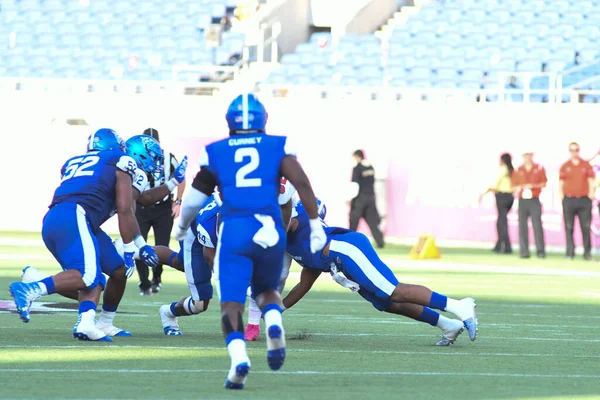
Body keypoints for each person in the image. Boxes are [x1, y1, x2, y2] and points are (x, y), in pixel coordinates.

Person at [173, 94, 326, 390]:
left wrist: (180, 225)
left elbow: (194, 198)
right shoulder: (279, 145)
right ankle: (274, 321)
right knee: (267, 291)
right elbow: (303, 183)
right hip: (270, 229)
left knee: (231, 303)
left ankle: (238, 360)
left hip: (235, 229)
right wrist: (316, 224)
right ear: (263, 120)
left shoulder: (215, 152)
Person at [19, 133, 188, 337]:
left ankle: (98, 323)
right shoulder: (124, 162)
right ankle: (33, 287)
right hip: (75, 216)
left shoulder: (84, 162)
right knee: (89, 277)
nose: (156, 162)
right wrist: (133, 247)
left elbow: (143, 198)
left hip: (71, 218)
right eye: (152, 156)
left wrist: (173, 183)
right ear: (138, 154)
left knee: (115, 271)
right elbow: (125, 209)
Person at [283, 200, 478, 346]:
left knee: (393, 291)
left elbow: (316, 205)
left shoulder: (299, 217)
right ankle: (447, 325)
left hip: (347, 248)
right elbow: (302, 286)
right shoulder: (291, 247)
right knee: (386, 303)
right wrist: (276, 309)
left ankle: (459, 305)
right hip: (342, 264)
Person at [135, 128, 186, 295]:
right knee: (138, 244)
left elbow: (181, 179)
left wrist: (177, 202)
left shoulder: (168, 158)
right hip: (141, 207)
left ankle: (156, 278)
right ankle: (144, 281)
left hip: (163, 208)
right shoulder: (134, 158)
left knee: (161, 245)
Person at [559, 142, 595, 260]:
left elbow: (591, 180)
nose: (574, 152)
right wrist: (562, 196)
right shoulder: (565, 166)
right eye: (572, 150)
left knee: (585, 226)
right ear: (569, 151)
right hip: (569, 199)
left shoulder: (585, 165)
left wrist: (591, 194)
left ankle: (587, 253)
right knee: (569, 227)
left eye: (576, 150)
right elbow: (561, 183)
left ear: (579, 150)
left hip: (584, 200)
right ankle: (570, 252)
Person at [513, 150, 547, 259]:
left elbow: (544, 183)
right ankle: (524, 252)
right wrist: (519, 187)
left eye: (529, 155)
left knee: (537, 225)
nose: (527, 157)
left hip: (534, 199)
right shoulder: (519, 169)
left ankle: (540, 251)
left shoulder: (539, 168)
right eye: (525, 155)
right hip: (523, 200)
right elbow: (513, 185)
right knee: (522, 226)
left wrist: (533, 186)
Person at [479, 153, 515, 254]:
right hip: (509, 197)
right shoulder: (511, 170)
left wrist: (483, 194)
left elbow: (494, 184)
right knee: (501, 221)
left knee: (501, 222)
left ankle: (506, 246)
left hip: (502, 197)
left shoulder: (503, 169)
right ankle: (501, 245)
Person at [348, 149, 385, 248]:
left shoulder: (357, 168)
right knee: (373, 222)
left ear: (357, 156)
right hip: (371, 198)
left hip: (360, 198)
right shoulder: (371, 167)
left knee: (353, 221)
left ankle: (349, 241)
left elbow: (355, 185)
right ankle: (380, 242)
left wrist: (349, 198)